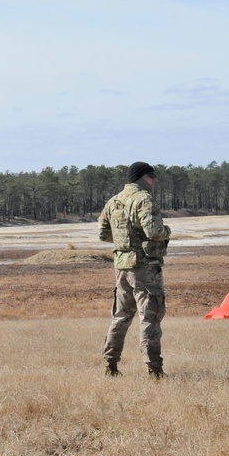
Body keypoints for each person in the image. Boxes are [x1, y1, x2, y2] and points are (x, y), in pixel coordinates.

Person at [98, 161, 172, 378]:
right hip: (144, 268)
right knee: (150, 316)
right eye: (152, 177)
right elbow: (154, 231)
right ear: (141, 177)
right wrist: (168, 231)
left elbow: (103, 234)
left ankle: (110, 365)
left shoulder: (114, 201)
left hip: (122, 267)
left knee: (120, 316)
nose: (155, 181)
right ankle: (154, 369)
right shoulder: (144, 199)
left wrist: (125, 241)